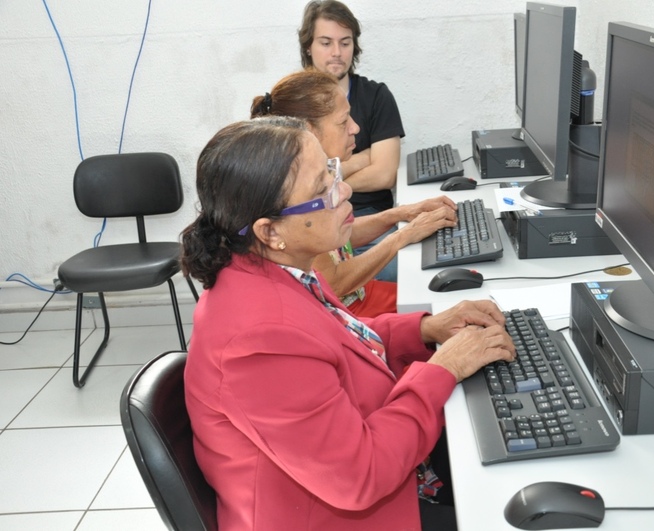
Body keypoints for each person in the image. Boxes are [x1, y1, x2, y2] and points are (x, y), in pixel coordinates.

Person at [180, 116, 516, 530]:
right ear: (270, 231)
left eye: (331, 172)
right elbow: (360, 477)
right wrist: (444, 368)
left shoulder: (272, 268)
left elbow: (336, 338)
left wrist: (423, 329)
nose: (344, 191)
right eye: (321, 190)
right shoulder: (258, 340)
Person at [251, 70, 456, 318]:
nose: (355, 127)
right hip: (344, 311)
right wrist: (404, 235)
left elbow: (340, 238)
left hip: (358, 295)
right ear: (309, 131)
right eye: (343, 121)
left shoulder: (315, 173)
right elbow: (334, 283)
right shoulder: (297, 192)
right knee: (442, 304)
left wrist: (400, 214)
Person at [299, 0, 404, 280]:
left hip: (372, 220)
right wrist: (360, 160)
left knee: (417, 261)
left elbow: (385, 174)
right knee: (407, 273)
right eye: (326, 43)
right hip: (316, 230)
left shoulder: (376, 96)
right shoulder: (294, 103)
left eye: (345, 43)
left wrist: (327, 181)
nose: (337, 52)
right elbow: (300, 191)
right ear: (308, 46)